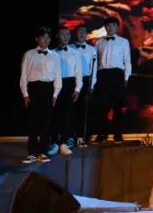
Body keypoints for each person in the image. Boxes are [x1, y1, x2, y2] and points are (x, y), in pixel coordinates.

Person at [19, 27, 62, 163]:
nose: (46, 40)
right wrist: (25, 93)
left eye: (48, 38)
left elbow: (58, 75)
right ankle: (32, 152)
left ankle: (43, 152)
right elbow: (23, 75)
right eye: (43, 37)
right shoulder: (29, 54)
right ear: (37, 39)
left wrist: (55, 94)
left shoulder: (55, 56)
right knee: (33, 121)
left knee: (46, 122)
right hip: (33, 89)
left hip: (48, 89)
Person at [93, 19, 131, 143]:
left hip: (117, 74)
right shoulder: (99, 42)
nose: (110, 28)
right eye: (108, 25)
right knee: (101, 106)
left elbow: (127, 61)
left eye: (113, 25)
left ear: (117, 27)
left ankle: (117, 134)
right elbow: (95, 62)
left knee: (117, 106)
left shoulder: (123, 42)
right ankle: (101, 134)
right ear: (105, 27)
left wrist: (126, 77)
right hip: (102, 74)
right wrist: (94, 79)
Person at [50, 25, 82, 156]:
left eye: (67, 34)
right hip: (54, 84)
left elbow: (78, 72)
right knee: (54, 115)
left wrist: (77, 88)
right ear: (57, 36)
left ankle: (64, 142)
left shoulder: (75, 53)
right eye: (62, 34)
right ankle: (54, 142)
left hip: (69, 84)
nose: (65, 37)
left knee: (67, 115)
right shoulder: (51, 52)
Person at [68, 24, 97, 148]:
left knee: (83, 111)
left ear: (87, 34)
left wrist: (92, 85)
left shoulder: (92, 50)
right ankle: (70, 137)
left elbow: (94, 69)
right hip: (72, 80)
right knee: (71, 110)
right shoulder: (69, 48)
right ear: (76, 33)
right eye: (79, 32)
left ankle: (81, 137)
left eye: (84, 32)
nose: (81, 34)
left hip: (86, 81)